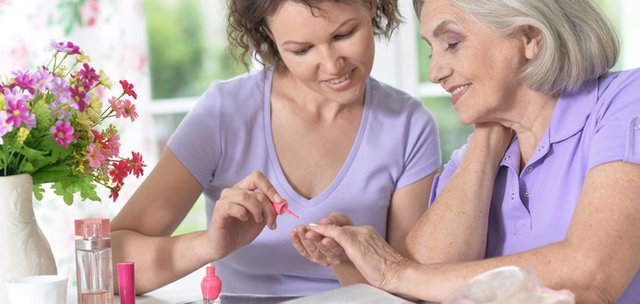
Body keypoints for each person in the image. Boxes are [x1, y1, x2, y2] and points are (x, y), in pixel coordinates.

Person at [294, 0, 640, 302]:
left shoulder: (627, 101)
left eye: (452, 43)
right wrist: (488, 138)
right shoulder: (474, 159)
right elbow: (423, 285)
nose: (435, 72)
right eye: (432, 49)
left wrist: (395, 269)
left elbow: (593, 276)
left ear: (529, 37)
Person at [110, 0, 441, 296]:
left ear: (371, 5)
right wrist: (211, 243)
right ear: (268, 36)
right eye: (301, 50)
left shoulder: (408, 125)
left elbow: (409, 289)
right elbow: (111, 260)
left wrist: (344, 262)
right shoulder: (224, 114)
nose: (331, 64)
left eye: (343, 35)